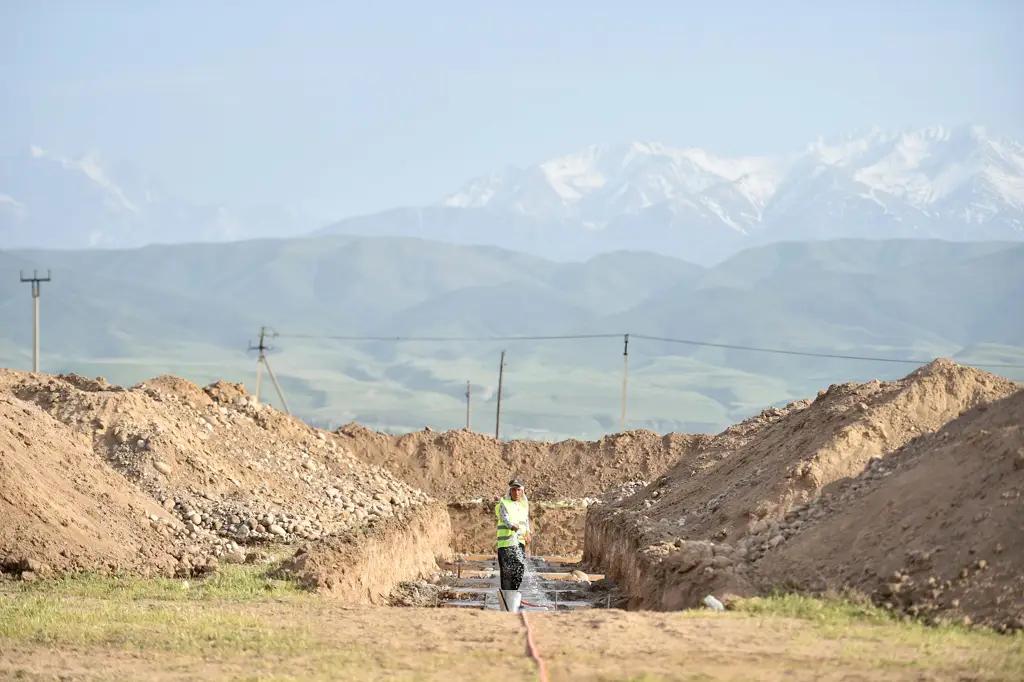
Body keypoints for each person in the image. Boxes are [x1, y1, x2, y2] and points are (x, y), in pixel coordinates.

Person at [495, 478, 531, 593]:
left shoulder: (523, 505)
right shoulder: (504, 503)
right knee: (507, 572)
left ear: (522, 491)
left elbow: (525, 521)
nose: (516, 492)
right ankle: (507, 595)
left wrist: (528, 533)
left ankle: (513, 593)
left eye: (518, 490)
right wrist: (511, 526)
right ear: (510, 491)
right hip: (506, 544)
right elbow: (504, 518)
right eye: (514, 490)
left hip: (519, 543)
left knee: (519, 569)